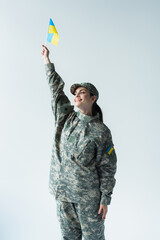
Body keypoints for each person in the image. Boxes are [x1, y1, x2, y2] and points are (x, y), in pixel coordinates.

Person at [41, 45, 117, 240]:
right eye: (75, 92)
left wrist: (105, 198)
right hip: (64, 195)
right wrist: (47, 62)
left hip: (89, 200)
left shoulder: (101, 132)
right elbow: (56, 91)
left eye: (82, 92)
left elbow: (108, 167)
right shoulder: (65, 118)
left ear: (93, 98)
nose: (76, 95)